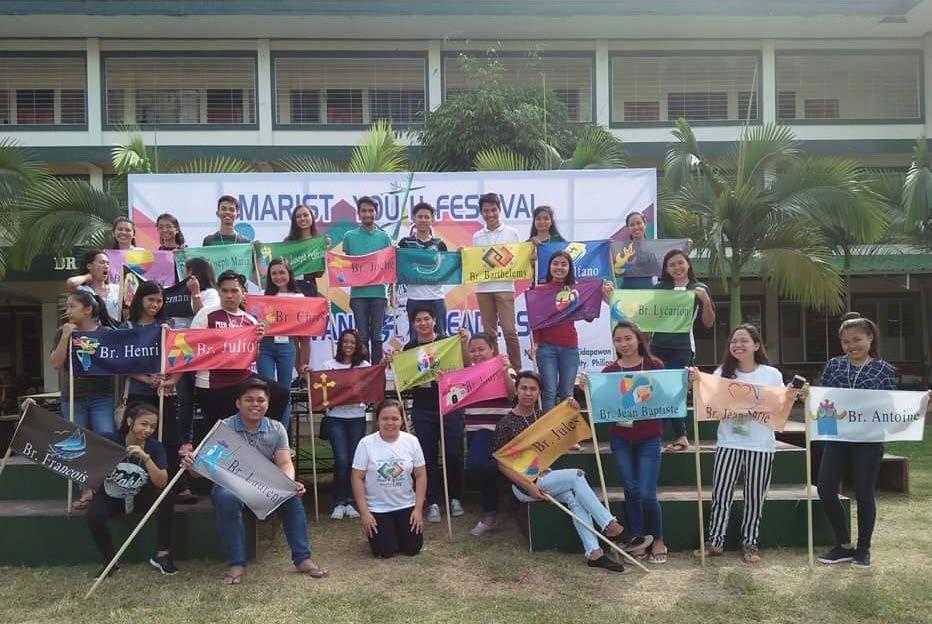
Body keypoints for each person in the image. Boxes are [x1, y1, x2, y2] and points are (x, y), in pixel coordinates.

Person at [181, 379, 328, 583]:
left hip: (262, 486)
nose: (255, 404)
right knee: (225, 498)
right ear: (238, 403)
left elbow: (285, 462)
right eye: (249, 400)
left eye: (261, 400)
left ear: (267, 404)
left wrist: (288, 484)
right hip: (231, 486)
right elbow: (200, 471)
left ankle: (303, 559)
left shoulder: (276, 428)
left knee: (292, 498)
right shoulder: (223, 428)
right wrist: (192, 465)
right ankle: (237, 564)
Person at [493, 371, 628, 572]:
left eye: (533, 389)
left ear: (539, 392)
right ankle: (609, 525)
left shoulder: (542, 417)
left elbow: (562, 432)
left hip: (545, 477)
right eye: (523, 388)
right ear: (516, 390)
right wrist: (528, 486)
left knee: (575, 499)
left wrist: (572, 408)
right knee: (576, 475)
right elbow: (501, 464)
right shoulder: (504, 424)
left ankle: (594, 553)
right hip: (522, 486)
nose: (528, 393)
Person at [691, 324, 801, 564]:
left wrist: (792, 395)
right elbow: (709, 402)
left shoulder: (771, 374)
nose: (738, 345)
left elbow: (781, 406)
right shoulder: (722, 372)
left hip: (761, 445)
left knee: (755, 496)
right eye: (733, 341)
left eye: (744, 341)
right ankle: (716, 541)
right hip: (729, 442)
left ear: (757, 345)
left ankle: (750, 543)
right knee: (721, 493)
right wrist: (698, 382)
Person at [816, 315, 897, 569]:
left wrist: (919, 406)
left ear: (870, 339)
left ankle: (863, 549)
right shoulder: (834, 365)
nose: (851, 346)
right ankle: (843, 545)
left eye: (857, 340)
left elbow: (891, 407)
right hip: (837, 437)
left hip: (869, 439)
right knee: (825, 487)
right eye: (845, 341)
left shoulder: (884, 370)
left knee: (863, 492)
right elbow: (823, 398)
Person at [385, 305, 464, 524]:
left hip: (449, 405)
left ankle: (456, 497)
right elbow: (404, 382)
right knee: (427, 456)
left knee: (453, 453)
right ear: (413, 324)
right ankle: (434, 502)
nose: (423, 323)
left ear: (434, 321)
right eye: (418, 320)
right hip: (423, 406)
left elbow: (462, 371)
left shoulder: (449, 343)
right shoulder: (409, 349)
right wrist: (394, 364)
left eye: (426, 319)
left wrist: (463, 343)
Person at [597, 321, 666, 563]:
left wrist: (685, 382)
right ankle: (637, 538)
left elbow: (667, 397)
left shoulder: (655, 366)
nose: (623, 344)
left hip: (649, 438)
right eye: (618, 340)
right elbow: (601, 401)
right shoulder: (609, 372)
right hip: (621, 439)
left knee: (647, 493)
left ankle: (657, 539)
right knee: (631, 490)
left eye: (628, 338)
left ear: (638, 339)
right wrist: (587, 388)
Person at [189, 270, 288, 432]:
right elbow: (192, 346)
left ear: (243, 294)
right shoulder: (206, 314)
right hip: (212, 383)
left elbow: (252, 357)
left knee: (280, 393)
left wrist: (258, 340)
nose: (229, 295)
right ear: (219, 292)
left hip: (241, 379)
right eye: (225, 291)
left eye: (234, 291)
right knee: (220, 432)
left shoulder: (250, 320)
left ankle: (265, 436)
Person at [87, 403, 177, 579]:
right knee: (94, 516)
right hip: (111, 496)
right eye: (144, 424)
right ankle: (110, 563)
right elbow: (74, 436)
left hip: (140, 496)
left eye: (152, 426)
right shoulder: (109, 440)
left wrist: (146, 458)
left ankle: (162, 556)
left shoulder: (155, 447)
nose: (148, 429)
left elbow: (161, 482)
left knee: (166, 497)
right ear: (130, 421)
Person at [48, 290, 114, 510]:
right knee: (78, 445)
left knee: (104, 440)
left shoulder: (106, 332)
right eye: (66, 307)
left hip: (102, 397)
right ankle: (86, 490)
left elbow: (120, 362)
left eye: (71, 307)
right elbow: (56, 364)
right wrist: (67, 336)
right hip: (73, 397)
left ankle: (103, 490)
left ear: (87, 309)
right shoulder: (62, 332)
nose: (67, 311)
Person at [529, 250, 612, 412]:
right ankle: (550, 433)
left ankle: (566, 433)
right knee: (550, 392)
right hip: (546, 348)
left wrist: (599, 293)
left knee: (567, 393)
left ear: (569, 268)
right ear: (549, 266)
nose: (559, 267)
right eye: (556, 263)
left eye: (564, 264)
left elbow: (588, 316)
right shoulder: (540, 290)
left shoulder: (576, 289)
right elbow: (536, 320)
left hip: (570, 348)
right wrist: (536, 343)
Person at [652, 249, 715, 452]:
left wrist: (705, 301)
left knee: (673, 390)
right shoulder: (660, 288)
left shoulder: (699, 288)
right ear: (666, 269)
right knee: (658, 391)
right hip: (657, 346)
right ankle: (660, 436)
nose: (677, 268)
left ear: (688, 264)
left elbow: (708, 322)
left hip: (682, 347)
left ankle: (679, 436)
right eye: (672, 265)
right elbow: (646, 315)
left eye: (680, 263)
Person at [351, 399, 427, 558]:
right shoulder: (366, 444)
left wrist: (418, 509)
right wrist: (365, 513)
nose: (390, 423)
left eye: (395, 418)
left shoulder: (412, 441)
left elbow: (420, 475)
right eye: (385, 418)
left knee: (413, 548)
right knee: (385, 551)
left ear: (402, 420)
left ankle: (397, 532)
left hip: (406, 505)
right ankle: (386, 535)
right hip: (378, 508)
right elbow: (357, 478)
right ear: (377, 420)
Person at [458, 331, 516, 536]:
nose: (476, 354)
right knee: (483, 473)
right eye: (472, 350)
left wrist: (504, 371)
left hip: (497, 429)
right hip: (474, 428)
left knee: (476, 464)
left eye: (481, 349)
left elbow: (512, 395)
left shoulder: (505, 368)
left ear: (492, 349)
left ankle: (505, 474)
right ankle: (490, 516)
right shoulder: (467, 375)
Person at [318, 329, 369, 520]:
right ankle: (339, 502)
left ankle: (351, 501)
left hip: (357, 417)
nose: (349, 345)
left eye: (352, 342)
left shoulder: (364, 365)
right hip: (335, 418)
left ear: (357, 346)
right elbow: (320, 390)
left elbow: (371, 385)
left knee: (354, 462)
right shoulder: (329, 365)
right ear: (340, 344)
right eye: (345, 341)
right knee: (341, 459)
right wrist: (308, 374)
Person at [472, 192, 522, 369]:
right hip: (483, 289)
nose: (490, 214)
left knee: (509, 331)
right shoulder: (477, 236)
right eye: (486, 211)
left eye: (493, 210)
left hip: (505, 287)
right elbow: (475, 262)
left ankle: (516, 370)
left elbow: (518, 260)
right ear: (481, 212)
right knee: (489, 333)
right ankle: (493, 369)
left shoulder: (512, 233)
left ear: (499, 210)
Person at [343, 196, 393, 366]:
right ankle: (365, 372)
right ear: (358, 214)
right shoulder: (349, 236)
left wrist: (392, 292)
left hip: (379, 293)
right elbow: (345, 264)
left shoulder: (384, 237)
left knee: (377, 336)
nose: (367, 214)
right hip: (358, 294)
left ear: (376, 213)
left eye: (370, 210)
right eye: (364, 210)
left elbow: (389, 266)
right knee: (362, 336)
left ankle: (377, 372)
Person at [256, 258, 303, 432]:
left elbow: (305, 322)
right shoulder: (262, 295)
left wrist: (322, 308)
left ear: (289, 274)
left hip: (287, 345)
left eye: (282, 272)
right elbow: (256, 321)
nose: (278, 276)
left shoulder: (299, 297)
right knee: (265, 391)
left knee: (285, 392)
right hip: (265, 346)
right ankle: (265, 432)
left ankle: (281, 435)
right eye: (274, 273)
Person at [397, 202, 449, 335]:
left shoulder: (440, 245)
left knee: (441, 337)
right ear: (414, 219)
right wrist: (395, 253)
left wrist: (461, 255)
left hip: (436, 298)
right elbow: (397, 267)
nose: (423, 220)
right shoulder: (405, 244)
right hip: (414, 298)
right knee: (415, 341)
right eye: (420, 217)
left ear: (432, 219)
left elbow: (446, 270)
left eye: (427, 217)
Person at [66, 249, 121, 325]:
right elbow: (71, 283)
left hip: (115, 332)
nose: (106, 266)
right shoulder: (83, 291)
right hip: (93, 334)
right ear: (89, 266)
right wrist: (87, 276)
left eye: (108, 263)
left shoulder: (117, 289)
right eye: (102, 262)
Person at [284, 204, 328, 297]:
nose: (302, 218)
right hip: (290, 287)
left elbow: (319, 274)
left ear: (311, 217)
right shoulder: (288, 242)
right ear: (294, 221)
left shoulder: (318, 242)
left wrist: (324, 252)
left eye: (305, 215)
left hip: (309, 287)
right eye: (298, 217)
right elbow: (282, 267)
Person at [616, 212, 654, 290]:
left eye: (639, 223)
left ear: (645, 224)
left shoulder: (654, 247)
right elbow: (617, 270)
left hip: (648, 293)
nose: (636, 227)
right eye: (632, 225)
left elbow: (661, 269)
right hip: (626, 293)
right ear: (628, 228)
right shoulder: (622, 248)